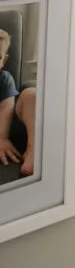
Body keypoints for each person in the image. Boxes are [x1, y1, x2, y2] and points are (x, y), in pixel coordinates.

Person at [0, 28, 36, 178]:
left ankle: (33, 149)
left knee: (31, 94)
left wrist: (1, 137)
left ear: (4, 60)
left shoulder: (3, 78)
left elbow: (6, 107)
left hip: (8, 123)